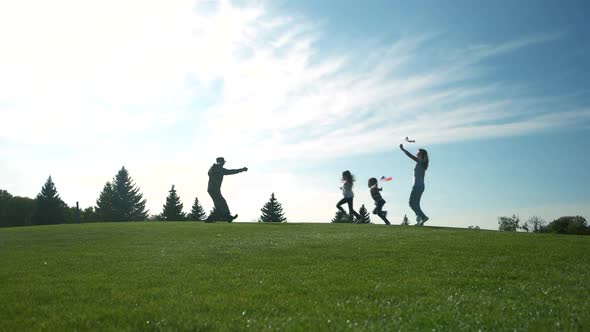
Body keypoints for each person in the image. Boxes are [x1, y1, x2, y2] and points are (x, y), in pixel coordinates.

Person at [207, 157, 248, 222]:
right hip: (212, 189)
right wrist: (216, 172)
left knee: (219, 205)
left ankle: (210, 219)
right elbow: (209, 173)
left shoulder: (221, 170)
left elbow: (231, 171)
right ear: (219, 162)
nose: (223, 163)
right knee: (222, 202)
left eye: (224, 162)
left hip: (215, 190)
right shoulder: (213, 168)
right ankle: (228, 217)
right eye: (223, 162)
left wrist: (241, 170)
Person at [399, 144, 429, 226]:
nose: (416, 154)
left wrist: (403, 149)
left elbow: (410, 156)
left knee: (411, 203)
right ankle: (419, 220)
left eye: (418, 153)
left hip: (417, 186)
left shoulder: (421, 162)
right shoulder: (422, 163)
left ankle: (423, 217)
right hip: (420, 186)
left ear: (422, 155)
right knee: (415, 204)